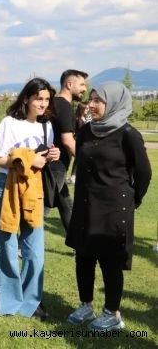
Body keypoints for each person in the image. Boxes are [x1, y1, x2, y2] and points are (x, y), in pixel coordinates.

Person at [65, 81, 151, 331]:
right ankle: (86, 305)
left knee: (109, 261)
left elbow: (144, 173)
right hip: (85, 204)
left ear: (113, 103)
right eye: (90, 99)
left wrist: (132, 200)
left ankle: (112, 313)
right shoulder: (86, 131)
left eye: (97, 101)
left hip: (113, 208)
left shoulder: (128, 134)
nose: (91, 105)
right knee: (83, 257)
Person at [0, 78, 60, 320]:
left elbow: (40, 159)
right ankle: (7, 301)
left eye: (47, 99)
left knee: (35, 249)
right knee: (6, 245)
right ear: (27, 98)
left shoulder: (46, 126)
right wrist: (27, 160)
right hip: (7, 186)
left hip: (33, 188)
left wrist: (52, 155)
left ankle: (32, 301)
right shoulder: (10, 123)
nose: (43, 104)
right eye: (39, 98)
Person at [47, 70, 88, 230]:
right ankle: (23, 247)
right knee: (43, 207)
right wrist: (87, 162)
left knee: (66, 204)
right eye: (82, 84)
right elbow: (68, 141)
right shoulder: (64, 106)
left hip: (56, 165)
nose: (84, 89)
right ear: (69, 84)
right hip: (55, 166)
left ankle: (78, 245)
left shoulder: (55, 103)